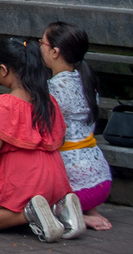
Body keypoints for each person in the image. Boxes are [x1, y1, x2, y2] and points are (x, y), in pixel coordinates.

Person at [0, 36, 75, 241]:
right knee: (31, 200)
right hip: (56, 178)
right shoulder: (49, 100)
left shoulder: (5, 102)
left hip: (24, 178)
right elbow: (59, 139)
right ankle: (60, 212)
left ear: (4, 70)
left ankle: (29, 213)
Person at [42, 20, 114, 231]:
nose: (39, 47)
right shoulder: (87, 81)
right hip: (102, 182)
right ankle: (89, 210)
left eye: (42, 43)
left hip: (78, 189)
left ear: (55, 52)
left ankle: (76, 215)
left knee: (25, 201)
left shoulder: (54, 88)